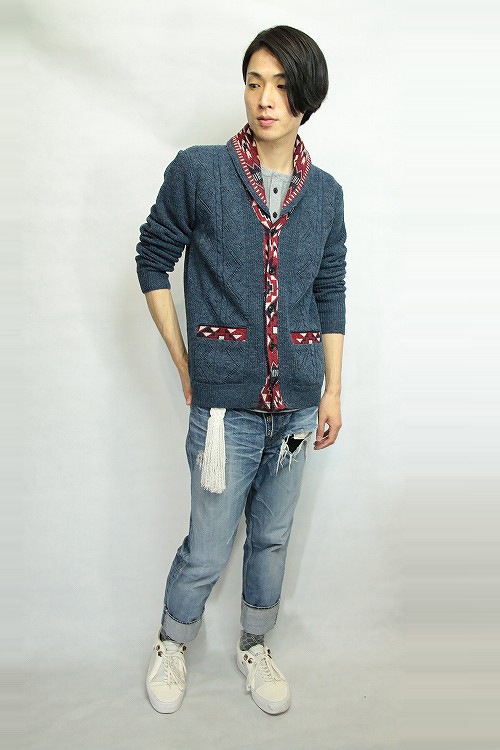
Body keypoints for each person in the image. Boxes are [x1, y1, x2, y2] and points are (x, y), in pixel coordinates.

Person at [135, 24, 347, 715]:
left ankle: (256, 645)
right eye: (254, 82)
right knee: (209, 544)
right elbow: (152, 260)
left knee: (273, 537)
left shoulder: (327, 194)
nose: (265, 99)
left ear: (306, 96)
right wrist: (184, 361)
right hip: (225, 410)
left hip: (298, 407)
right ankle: (172, 642)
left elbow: (330, 290)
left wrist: (332, 390)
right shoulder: (199, 172)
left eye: (281, 85)